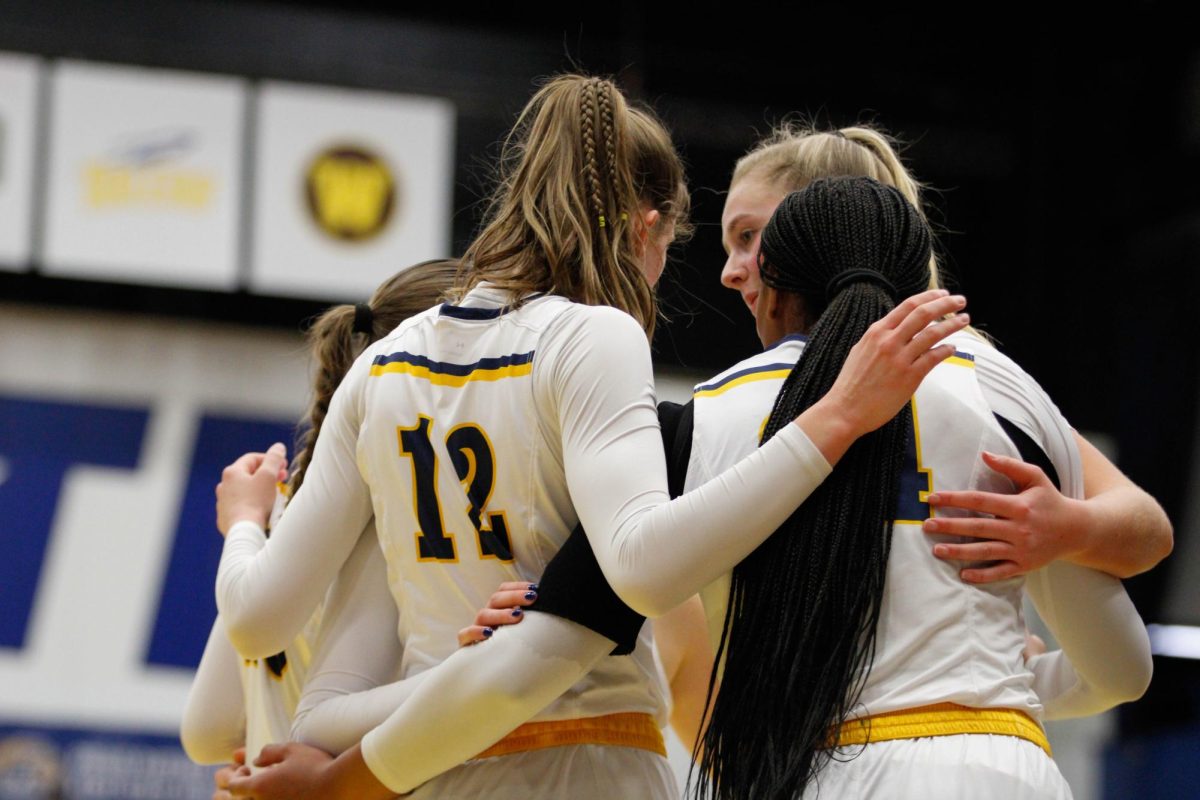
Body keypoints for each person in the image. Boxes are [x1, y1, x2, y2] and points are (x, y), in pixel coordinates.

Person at [212, 74, 969, 799]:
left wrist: (245, 527)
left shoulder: (380, 365)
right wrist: (835, 418)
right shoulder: (593, 338)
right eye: (670, 251)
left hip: (433, 763)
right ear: (647, 229)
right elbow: (641, 565)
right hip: (591, 760)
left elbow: (263, 632)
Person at [693, 176, 1151, 798]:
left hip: (830, 768)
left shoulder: (716, 406)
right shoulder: (1005, 388)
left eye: (750, 239)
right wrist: (989, 678)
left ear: (783, 277)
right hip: (1008, 764)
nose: (732, 271)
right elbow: (1124, 664)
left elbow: (646, 592)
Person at [719, 124, 1171, 580]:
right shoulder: (745, 391)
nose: (728, 273)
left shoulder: (968, 374)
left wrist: (1070, 529)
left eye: (746, 236)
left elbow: (1149, 528)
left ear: (826, 217)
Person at [179, 260, 459, 794]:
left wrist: (245, 527)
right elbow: (463, 702)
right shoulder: (420, 506)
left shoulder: (287, 500)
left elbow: (206, 731)